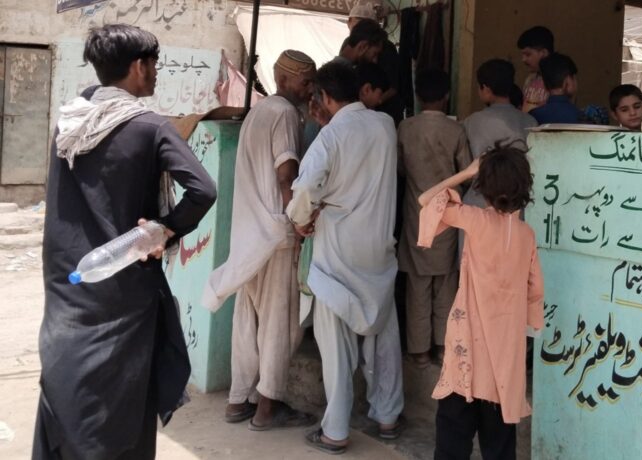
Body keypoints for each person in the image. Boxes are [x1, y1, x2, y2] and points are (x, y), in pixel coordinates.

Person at [34, 24, 217, 459]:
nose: (157, 73)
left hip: (67, 281)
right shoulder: (149, 127)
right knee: (121, 400)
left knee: (65, 379)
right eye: (155, 64)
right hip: (124, 291)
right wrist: (164, 229)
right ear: (138, 67)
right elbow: (203, 190)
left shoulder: (70, 121)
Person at [287, 59, 404, 454]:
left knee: (336, 348)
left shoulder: (330, 137)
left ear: (323, 96)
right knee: (384, 337)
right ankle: (388, 417)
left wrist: (301, 220)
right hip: (378, 250)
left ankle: (335, 431)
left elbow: (305, 190)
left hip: (337, 254)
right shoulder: (385, 125)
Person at [201, 51, 318, 431]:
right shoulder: (285, 113)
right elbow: (286, 174)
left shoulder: (259, 111)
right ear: (284, 80)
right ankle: (268, 406)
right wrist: (299, 220)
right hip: (276, 235)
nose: (311, 89)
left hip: (251, 236)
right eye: (306, 82)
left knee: (247, 322)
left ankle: (239, 400)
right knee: (280, 325)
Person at [416, 145, 544, 460]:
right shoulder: (526, 235)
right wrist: (531, 326)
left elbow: (426, 200)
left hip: (466, 358)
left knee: (451, 448)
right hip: (505, 363)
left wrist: (467, 172)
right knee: (500, 450)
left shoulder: (474, 219)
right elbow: (535, 292)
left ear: (484, 187)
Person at [396, 69, 473, 368]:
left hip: (417, 215)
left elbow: (400, 169)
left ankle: (418, 351)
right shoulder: (456, 130)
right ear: (446, 96)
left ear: (417, 96)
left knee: (417, 286)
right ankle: (443, 346)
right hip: (448, 215)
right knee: (446, 284)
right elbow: (467, 172)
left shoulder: (405, 128)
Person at [461, 59, 537, 208]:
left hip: (478, 202)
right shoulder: (530, 122)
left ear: (486, 88)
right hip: (515, 202)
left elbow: (465, 165)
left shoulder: (471, 122)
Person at [348, 2, 406, 125]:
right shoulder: (348, 52)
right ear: (348, 22)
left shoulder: (386, 49)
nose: (374, 60)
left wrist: (374, 103)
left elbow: (394, 87)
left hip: (386, 111)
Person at [528, 53, 584, 125]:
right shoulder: (582, 117)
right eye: (574, 78)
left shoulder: (532, 116)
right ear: (567, 82)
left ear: (545, 84)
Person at [517, 26, 554, 113]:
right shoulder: (530, 79)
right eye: (523, 55)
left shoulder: (557, 80)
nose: (523, 59)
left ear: (544, 53)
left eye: (528, 54)